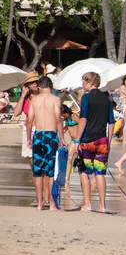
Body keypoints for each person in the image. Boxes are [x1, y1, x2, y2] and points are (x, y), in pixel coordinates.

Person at [74, 72, 115, 212]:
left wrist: (77, 140)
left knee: (84, 171)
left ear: (90, 82)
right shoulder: (107, 98)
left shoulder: (86, 98)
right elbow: (111, 122)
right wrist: (108, 141)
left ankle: (87, 204)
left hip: (87, 140)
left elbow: (83, 119)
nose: (82, 84)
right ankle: (103, 206)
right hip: (102, 140)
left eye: (83, 81)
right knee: (100, 173)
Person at [26, 77, 66, 211]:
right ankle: (52, 204)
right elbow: (58, 119)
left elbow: (29, 121)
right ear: (50, 86)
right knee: (50, 171)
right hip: (51, 135)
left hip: (38, 134)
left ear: (40, 86)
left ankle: (39, 204)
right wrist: (62, 137)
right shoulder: (55, 99)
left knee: (37, 171)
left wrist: (28, 138)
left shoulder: (34, 100)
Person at [15, 72, 41, 205]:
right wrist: (23, 95)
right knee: (33, 166)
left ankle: (45, 197)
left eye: (36, 81)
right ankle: (38, 196)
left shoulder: (43, 96)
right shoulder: (26, 98)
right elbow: (16, 113)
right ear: (27, 85)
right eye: (32, 82)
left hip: (41, 129)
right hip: (29, 132)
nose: (35, 84)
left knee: (43, 164)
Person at [61, 104, 79, 193]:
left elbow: (82, 126)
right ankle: (67, 178)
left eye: (64, 114)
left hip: (79, 139)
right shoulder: (66, 119)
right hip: (73, 140)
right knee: (69, 158)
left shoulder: (74, 116)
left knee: (83, 159)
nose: (63, 116)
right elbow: (66, 128)